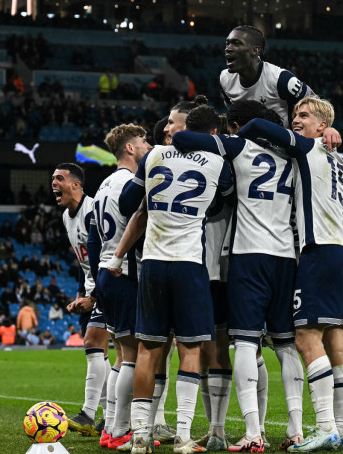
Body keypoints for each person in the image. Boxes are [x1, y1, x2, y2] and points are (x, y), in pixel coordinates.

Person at [172, 100, 306, 451]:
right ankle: (296, 430)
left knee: (244, 342)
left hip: (248, 256)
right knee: (286, 346)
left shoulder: (239, 145)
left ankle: (253, 433)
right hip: (286, 256)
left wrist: (238, 136)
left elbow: (185, 140)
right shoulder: (294, 156)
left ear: (236, 125)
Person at [236, 97, 343, 451]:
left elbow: (258, 127)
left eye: (303, 116)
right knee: (337, 342)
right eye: (294, 116)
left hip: (320, 251)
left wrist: (236, 141)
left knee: (305, 338)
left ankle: (325, 426)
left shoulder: (309, 147)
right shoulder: (339, 160)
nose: (295, 121)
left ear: (322, 126)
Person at [114, 103, 234, 454]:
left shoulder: (153, 156)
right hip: (189, 264)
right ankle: (182, 437)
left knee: (149, 350)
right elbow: (222, 201)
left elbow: (128, 203)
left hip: (152, 261)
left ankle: (139, 437)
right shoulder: (216, 161)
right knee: (191, 349)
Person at [87, 124, 152, 449]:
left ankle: (111, 430)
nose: (148, 144)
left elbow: (93, 237)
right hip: (124, 272)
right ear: (130, 148)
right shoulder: (130, 183)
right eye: (143, 141)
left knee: (121, 354)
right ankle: (120, 429)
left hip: (105, 273)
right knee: (132, 355)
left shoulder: (103, 185)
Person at [52, 162, 111, 436]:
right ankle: (110, 417)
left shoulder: (93, 210)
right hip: (90, 289)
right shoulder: (66, 216)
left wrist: (96, 296)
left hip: (107, 287)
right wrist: (80, 292)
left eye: (59, 178)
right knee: (99, 354)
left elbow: (105, 256)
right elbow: (82, 259)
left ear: (76, 184)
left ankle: (88, 414)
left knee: (92, 343)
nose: (54, 183)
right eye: (53, 179)